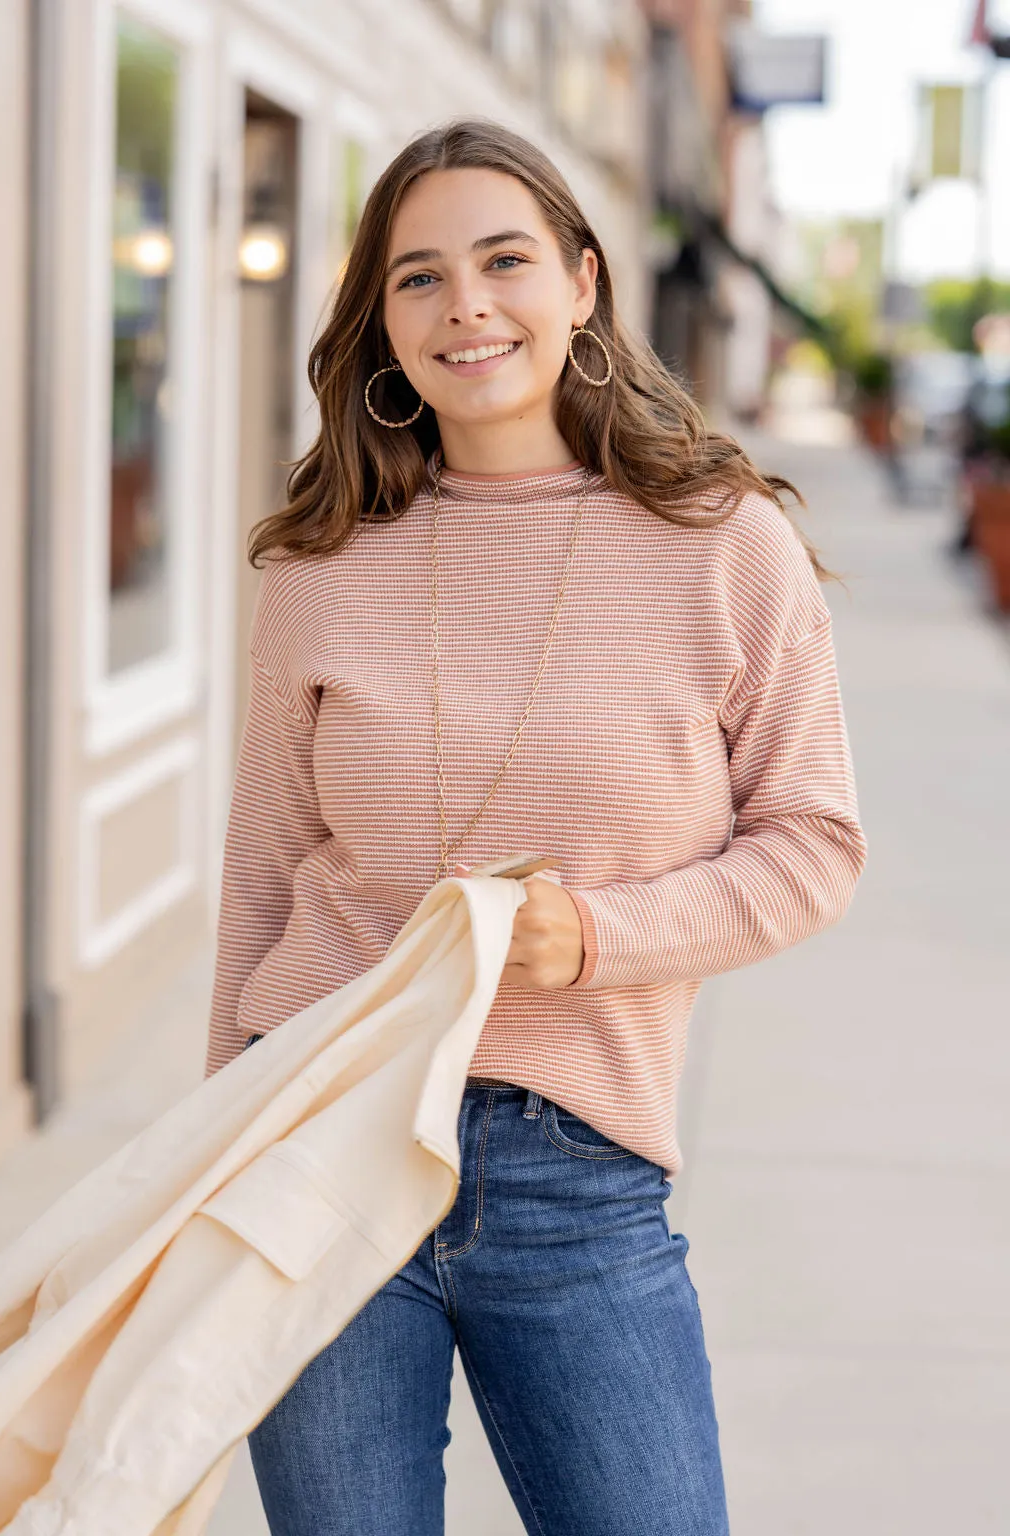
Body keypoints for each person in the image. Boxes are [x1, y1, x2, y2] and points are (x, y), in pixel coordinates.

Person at [205, 118, 868, 1536]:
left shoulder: (722, 544)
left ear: (581, 281)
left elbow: (813, 843)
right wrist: (223, 1152)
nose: (468, 308)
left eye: (504, 261)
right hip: (315, 1138)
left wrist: (600, 938)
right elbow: (262, 878)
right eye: (419, 278)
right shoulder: (325, 565)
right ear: (381, 323)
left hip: (575, 1173)